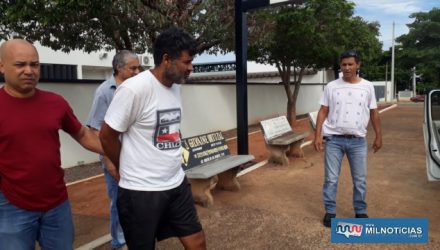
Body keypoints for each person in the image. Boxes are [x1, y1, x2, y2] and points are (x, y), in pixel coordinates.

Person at [100, 27, 206, 249]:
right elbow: (107, 136)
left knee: (196, 240)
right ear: (167, 59)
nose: (190, 68)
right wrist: (123, 167)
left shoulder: (175, 87)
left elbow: (173, 128)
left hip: (176, 184)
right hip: (141, 191)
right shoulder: (134, 90)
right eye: (186, 62)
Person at [0, 39, 103, 249]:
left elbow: (83, 134)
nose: (29, 71)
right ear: (2, 66)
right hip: (11, 204)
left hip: (57, 203)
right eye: (20, 64)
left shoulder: (55, 102)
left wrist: (121, 150)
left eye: (35, 64)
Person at [313, 50, 382, 227]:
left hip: (358, 141)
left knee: (360, 179)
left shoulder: (367, 86)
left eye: (351, 64)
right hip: (334, 140)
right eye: (344, 64)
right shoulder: (331, 86)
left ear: (358, 65)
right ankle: (330, 211)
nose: (347, 67)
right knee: (331, 178)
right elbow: (323, 111)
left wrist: (378, 136)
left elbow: (374, 112)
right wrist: (318, 135)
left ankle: (360, 211)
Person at [86, 50, 140, 250]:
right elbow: (95, 129)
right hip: (115, 157)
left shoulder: (136, 88)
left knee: (135, 200)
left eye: (138, 68)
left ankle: (134, 237)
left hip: (135, 155)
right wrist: (109, 161)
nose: (137, 72)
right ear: (118, 68)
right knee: (119, 200)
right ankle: (120, 242)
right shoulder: (104, 91)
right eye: (132, 68)